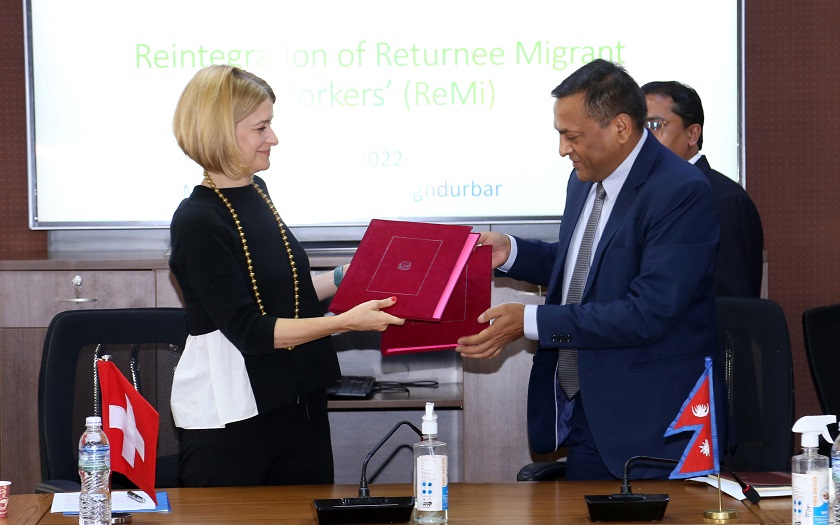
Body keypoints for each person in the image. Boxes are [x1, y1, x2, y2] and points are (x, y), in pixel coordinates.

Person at [456, 59, 726, 480]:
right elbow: (584, 268)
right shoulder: (584, 180)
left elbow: (648, 312)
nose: (563, 149)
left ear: (620, 127)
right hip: (587, 413)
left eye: (572, 136)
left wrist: (531, 321)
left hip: (653, 426)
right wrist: (511, 252)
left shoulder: (680, 191)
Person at [169, 65, 404, 487]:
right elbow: (252, 330)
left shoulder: (256, 192)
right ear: (220, 132)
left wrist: (344, 276)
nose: (273, 138)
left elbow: (280, 293)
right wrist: (346, 322)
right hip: (236, 413)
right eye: (261, 128)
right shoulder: (197, 220)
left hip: (297, 394)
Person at [642, 81, 764, 297]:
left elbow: (733, 301)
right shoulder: (641, 195)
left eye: (654, 126)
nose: (643, 139)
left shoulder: (725, 199)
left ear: (692, 134)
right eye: (638, 128)